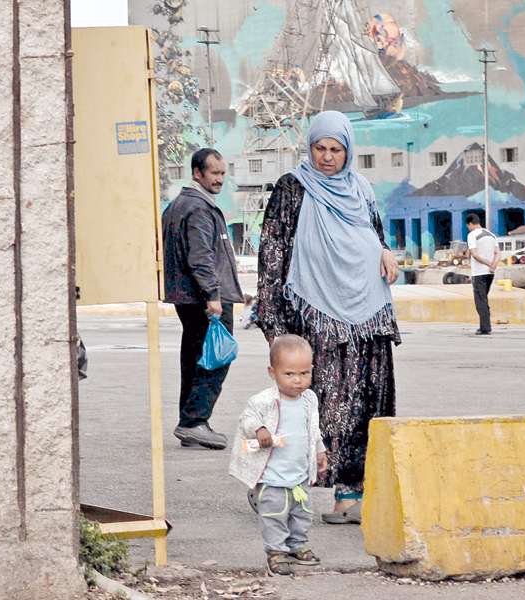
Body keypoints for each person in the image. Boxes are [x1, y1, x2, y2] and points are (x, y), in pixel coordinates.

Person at [256, 110, 400, 525]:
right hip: (316, 315)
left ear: (348, 150)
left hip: (367, 314)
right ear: (310, 146)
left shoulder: (361, 188)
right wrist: (274, 324)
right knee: (312, 407)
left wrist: (385, 251)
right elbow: (273, 253)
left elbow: (374, 234)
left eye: (336, 149)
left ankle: (349, 498)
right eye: (320, 148)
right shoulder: (293, 188)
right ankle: (274, 484)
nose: (327, 157)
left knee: (366, 407)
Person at [162, 148, 244, 449]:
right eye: (214, 173)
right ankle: (194, 421)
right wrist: (213, 295)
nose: (220, 179)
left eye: (222, 173)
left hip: (187, 297)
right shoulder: (198, 208)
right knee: (216, 359)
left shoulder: (178, 205)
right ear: (197, 173)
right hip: (206, 298)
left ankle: (192, 422)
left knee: (195, 360)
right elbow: (201, 257)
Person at [229, 335, 328, 576]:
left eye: (305, 373)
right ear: (273, 373)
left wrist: (320, 449)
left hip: (300, 475)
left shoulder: (309, 399)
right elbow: (247, 418)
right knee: (274, 515)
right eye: (290, 374)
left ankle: (298, 546)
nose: (298, 381)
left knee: (302, 514)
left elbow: (312, 428)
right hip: (272, 476)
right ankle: (276, 552)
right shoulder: (264, 401)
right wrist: (259, 429)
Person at [466, 214, 501, 335]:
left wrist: (487, 263)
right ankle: (485, 325)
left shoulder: (472, 235)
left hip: (478, 272)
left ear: (470, 224)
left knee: (480, 300)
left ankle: (485, 327)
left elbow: (474, 254)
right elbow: (497, 253)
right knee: (484, 299)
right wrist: (493, 264)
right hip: (490, 273)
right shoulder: (491, 235)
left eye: (468, 226)